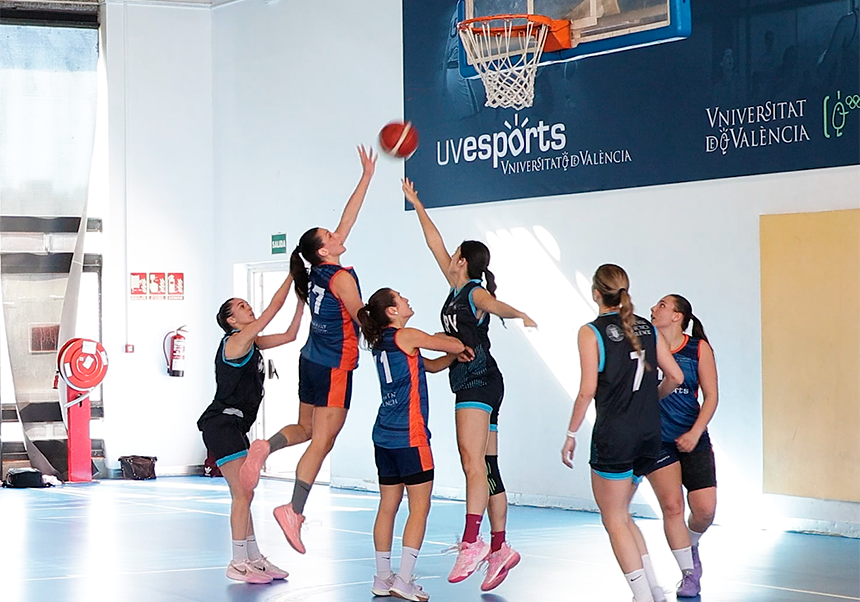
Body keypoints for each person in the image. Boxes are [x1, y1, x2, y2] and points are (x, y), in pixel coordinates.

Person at [239, 146, 377, 554]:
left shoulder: (316, 271)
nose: (337, 235)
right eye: (330, 237)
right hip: (335, 365)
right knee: (323, 441)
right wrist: (392, 332)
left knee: (306, 428)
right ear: (324, 250)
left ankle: (265, 446)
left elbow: (348, 218)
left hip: (310, 359)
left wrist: (366, 177)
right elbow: (362, 316)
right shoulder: (340, 278)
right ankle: (293, 509)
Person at [402, 178, 537, 591]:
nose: (448, 257)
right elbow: (434, 243)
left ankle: (471, 541)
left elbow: (494, 305)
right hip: (478, 379)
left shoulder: (474, 292)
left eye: (454, 254)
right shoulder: (455, 286)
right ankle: (499, 547)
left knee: (470, 462)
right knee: (487, 467)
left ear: (462, 261)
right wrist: (417, 204)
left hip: (477, 382)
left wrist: (519, 314)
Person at [561, 264, 683, 602]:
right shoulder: (647, 327)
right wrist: (648, 401)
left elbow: (587, 390)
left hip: (615, 436)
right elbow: (675, 376)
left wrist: (571, 433)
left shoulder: (591, 332)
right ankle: (654, 590)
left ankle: (642, 596)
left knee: (614, 518)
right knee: (623, 515)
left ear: (596, 293)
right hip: (649, 434)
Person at [358, 287, 467, 602]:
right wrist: (451, 343)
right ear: (392, 311)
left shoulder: (384, 341)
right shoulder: (407, 335)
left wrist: (451, 356)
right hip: (410, 437)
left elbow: (430, 365)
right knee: (420, 507)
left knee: (388, 505)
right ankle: (404, 580)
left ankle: (383, 578)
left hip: (384, 436)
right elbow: (455, 342)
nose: (407, 299)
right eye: (400, 297)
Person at [197, 280, 305, 583]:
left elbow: (290, 335)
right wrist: (292, 276)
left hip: (235, 426)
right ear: (231, 321)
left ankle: (254, 558)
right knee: (242, 493)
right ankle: (238, 561)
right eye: (241, 307)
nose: (248, 308)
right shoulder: (236, 341)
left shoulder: (252, 342)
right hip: (221, 424)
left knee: (246, 492)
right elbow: (272, 309)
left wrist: (301, 302)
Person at [647, 294, 718, 597]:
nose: (654, 309)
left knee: (704, 510)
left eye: (662, 305)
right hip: (658, 441)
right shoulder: (645, 347)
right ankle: (689, 573)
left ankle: (691, 544)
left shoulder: (697, 349)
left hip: (692, 437)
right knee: (673, 507)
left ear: (677, 316)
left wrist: (695, 432)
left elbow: (711, 396)